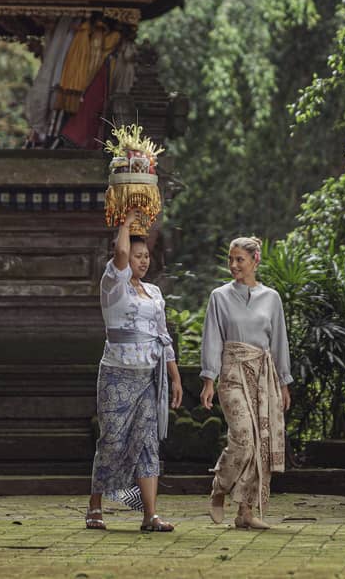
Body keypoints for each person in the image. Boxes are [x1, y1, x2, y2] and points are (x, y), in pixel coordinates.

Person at [86, 210, 183, 532]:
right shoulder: (113, 285)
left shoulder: (154, 293)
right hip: (117, 372)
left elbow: (163, 334)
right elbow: (121, 253)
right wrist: (126, 224)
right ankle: (95, 505)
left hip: (149, 374)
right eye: (137, 255)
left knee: (146, 442)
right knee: (112, 440)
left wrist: (174, 375)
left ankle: (150, 515)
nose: (142, 261)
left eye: (146, 256)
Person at [199, 236, 291, 530]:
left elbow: (279, 343)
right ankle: (219, 488)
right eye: (231, 259)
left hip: (264, 377)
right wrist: (208, 379)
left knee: (261, 443)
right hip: (231, 373)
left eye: (240, 259)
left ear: (255, 261)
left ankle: (246, 511)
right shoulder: (219, 296)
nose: (234, 265)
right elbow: (212, 338)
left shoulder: (272, 298)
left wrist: (284, 384)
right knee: (244, 440)